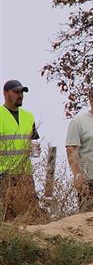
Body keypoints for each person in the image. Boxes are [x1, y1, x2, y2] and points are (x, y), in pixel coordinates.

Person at [0, 80, 42, 221]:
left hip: (25, 174)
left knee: (31, 214)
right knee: (8, 216)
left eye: (22, 92)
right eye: (17, 92)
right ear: (6, 93)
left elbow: (33, 140)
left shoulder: (28, 116)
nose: (21, 95)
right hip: (4, 174)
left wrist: (35, 148)